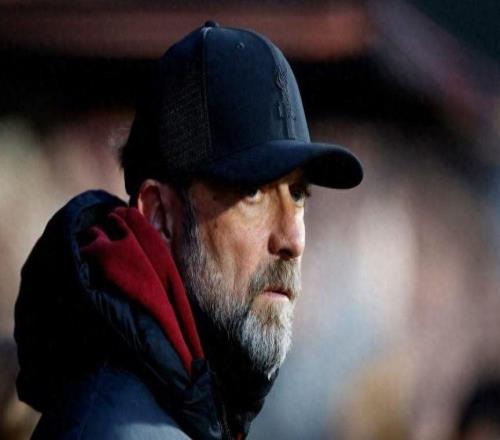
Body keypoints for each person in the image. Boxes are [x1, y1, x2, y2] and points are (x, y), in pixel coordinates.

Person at [14, 21, 362, 440]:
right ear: (159, 215)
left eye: (298, 193)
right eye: (253, 191)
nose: (293, 240)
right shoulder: (115, 429)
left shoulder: (191, 404)